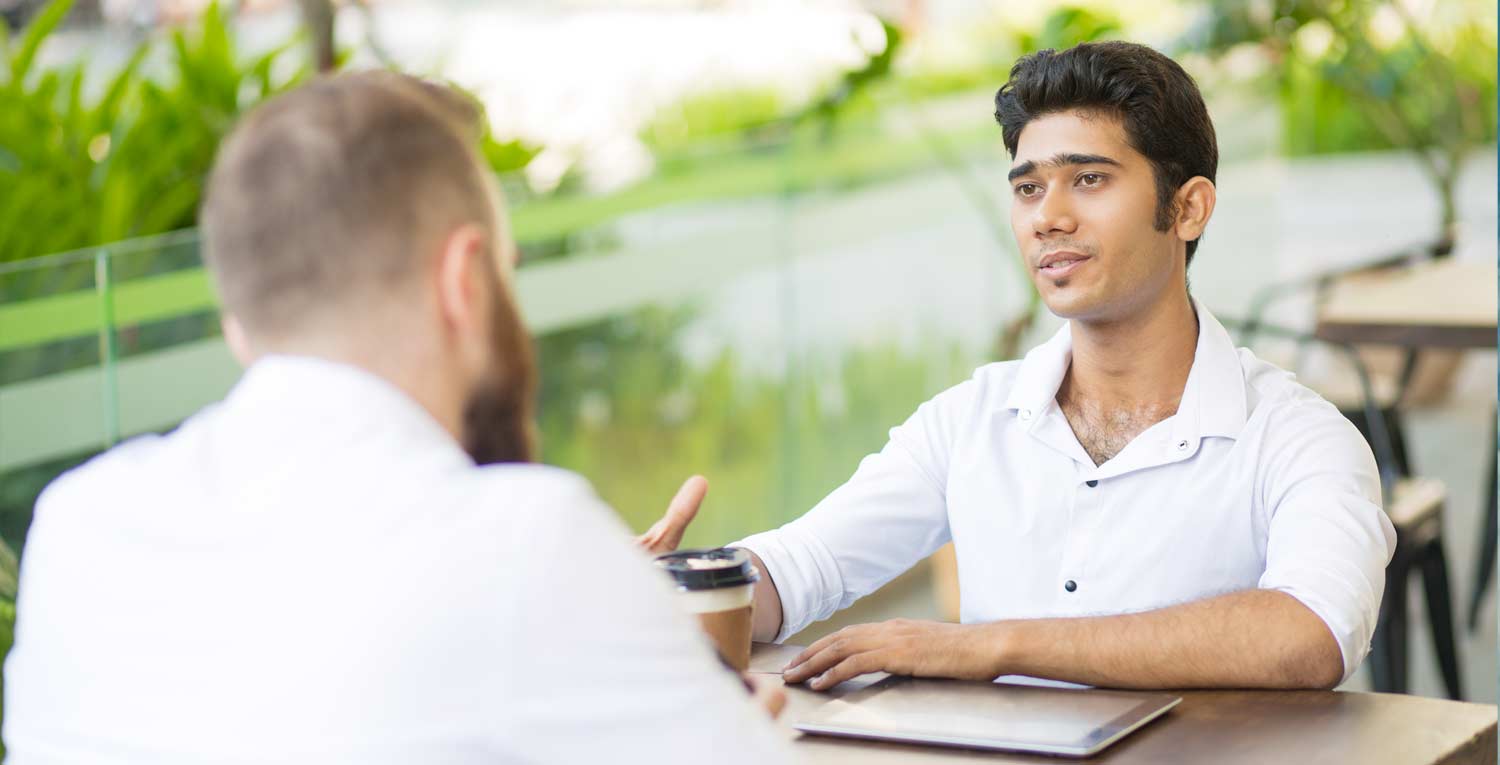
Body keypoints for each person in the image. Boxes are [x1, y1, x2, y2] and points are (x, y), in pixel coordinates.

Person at [4, 71, 791, 763]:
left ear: (238, 326)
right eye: (508, 273)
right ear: (465, 282)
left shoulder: (77, 528)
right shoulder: (527, 546)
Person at [641, 41, 1396, 692]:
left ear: (1189, 208)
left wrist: (993, 645)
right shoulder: (971, 419)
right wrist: (664, 588)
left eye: (1089, 179)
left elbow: (1311, 631)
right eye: (1029, 187)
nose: (1048, 217)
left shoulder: (1298, 436)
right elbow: (800, 567)